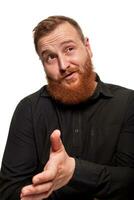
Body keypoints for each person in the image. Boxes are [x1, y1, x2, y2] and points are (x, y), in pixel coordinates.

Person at [0, 15, 134, 200]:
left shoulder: (128, 103)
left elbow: (129, 182)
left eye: (69, 49)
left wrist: (73, 172)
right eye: (50, 57)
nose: (63, 66)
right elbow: (9, 192)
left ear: (87, 47)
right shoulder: (28, 109)